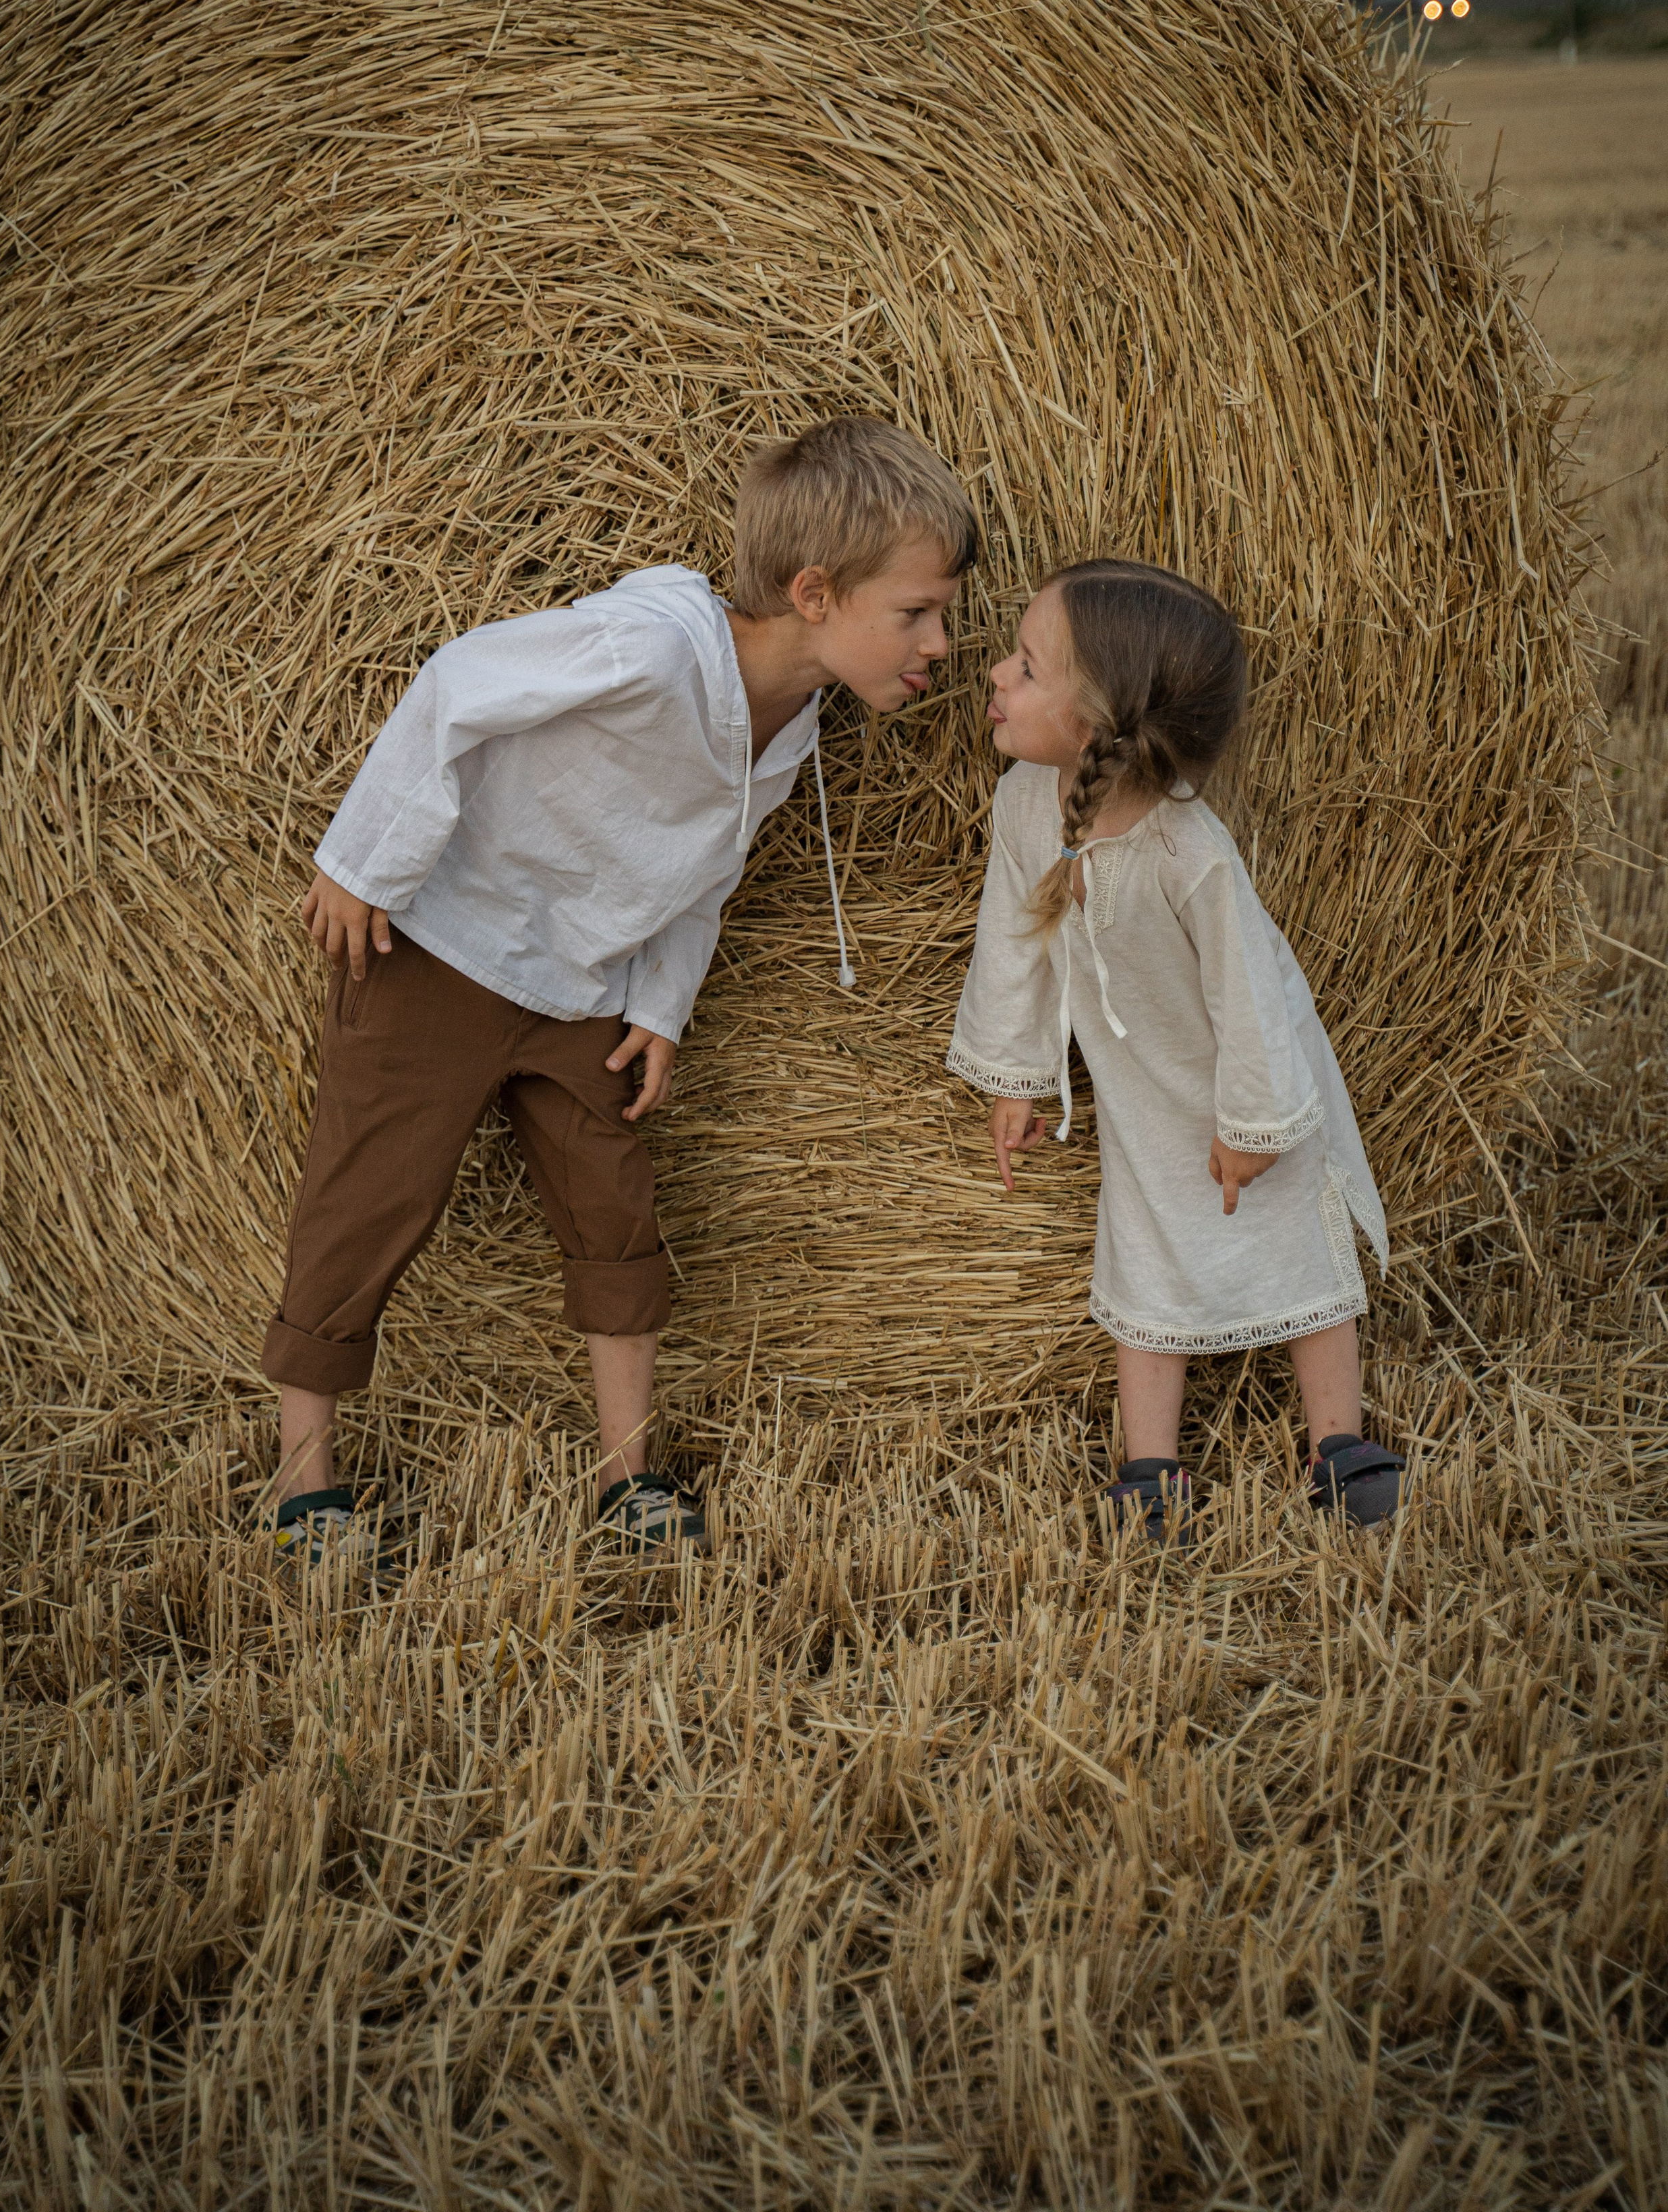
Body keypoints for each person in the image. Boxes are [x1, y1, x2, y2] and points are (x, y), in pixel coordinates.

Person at [265, 417, 976, 1564]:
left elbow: (705, 869)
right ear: (814, 592)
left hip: (585, 988)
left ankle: (629, 1479)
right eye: (917, 612)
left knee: (615, 1213)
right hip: (440, 956)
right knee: (368, 1203)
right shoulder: (650, 651)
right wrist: (360, 864)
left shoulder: (793, 720)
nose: (939, 640)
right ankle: (308, 1487)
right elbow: (457, 684)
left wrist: (661, 1005)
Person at [947, 556, 1401, 1540]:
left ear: (1093, 717)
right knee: (1143, 1249)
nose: (997, 674)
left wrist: (1255, 1122)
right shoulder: (1028, 804)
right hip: (1139, 1085)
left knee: (1292, 1232)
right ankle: (1150, 1467)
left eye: (1026, 667)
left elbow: (1252, 997)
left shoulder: (1188, 851)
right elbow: (1013, 945)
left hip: (1246, 1076)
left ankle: (1340, 1442)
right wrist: (1017, 1076)